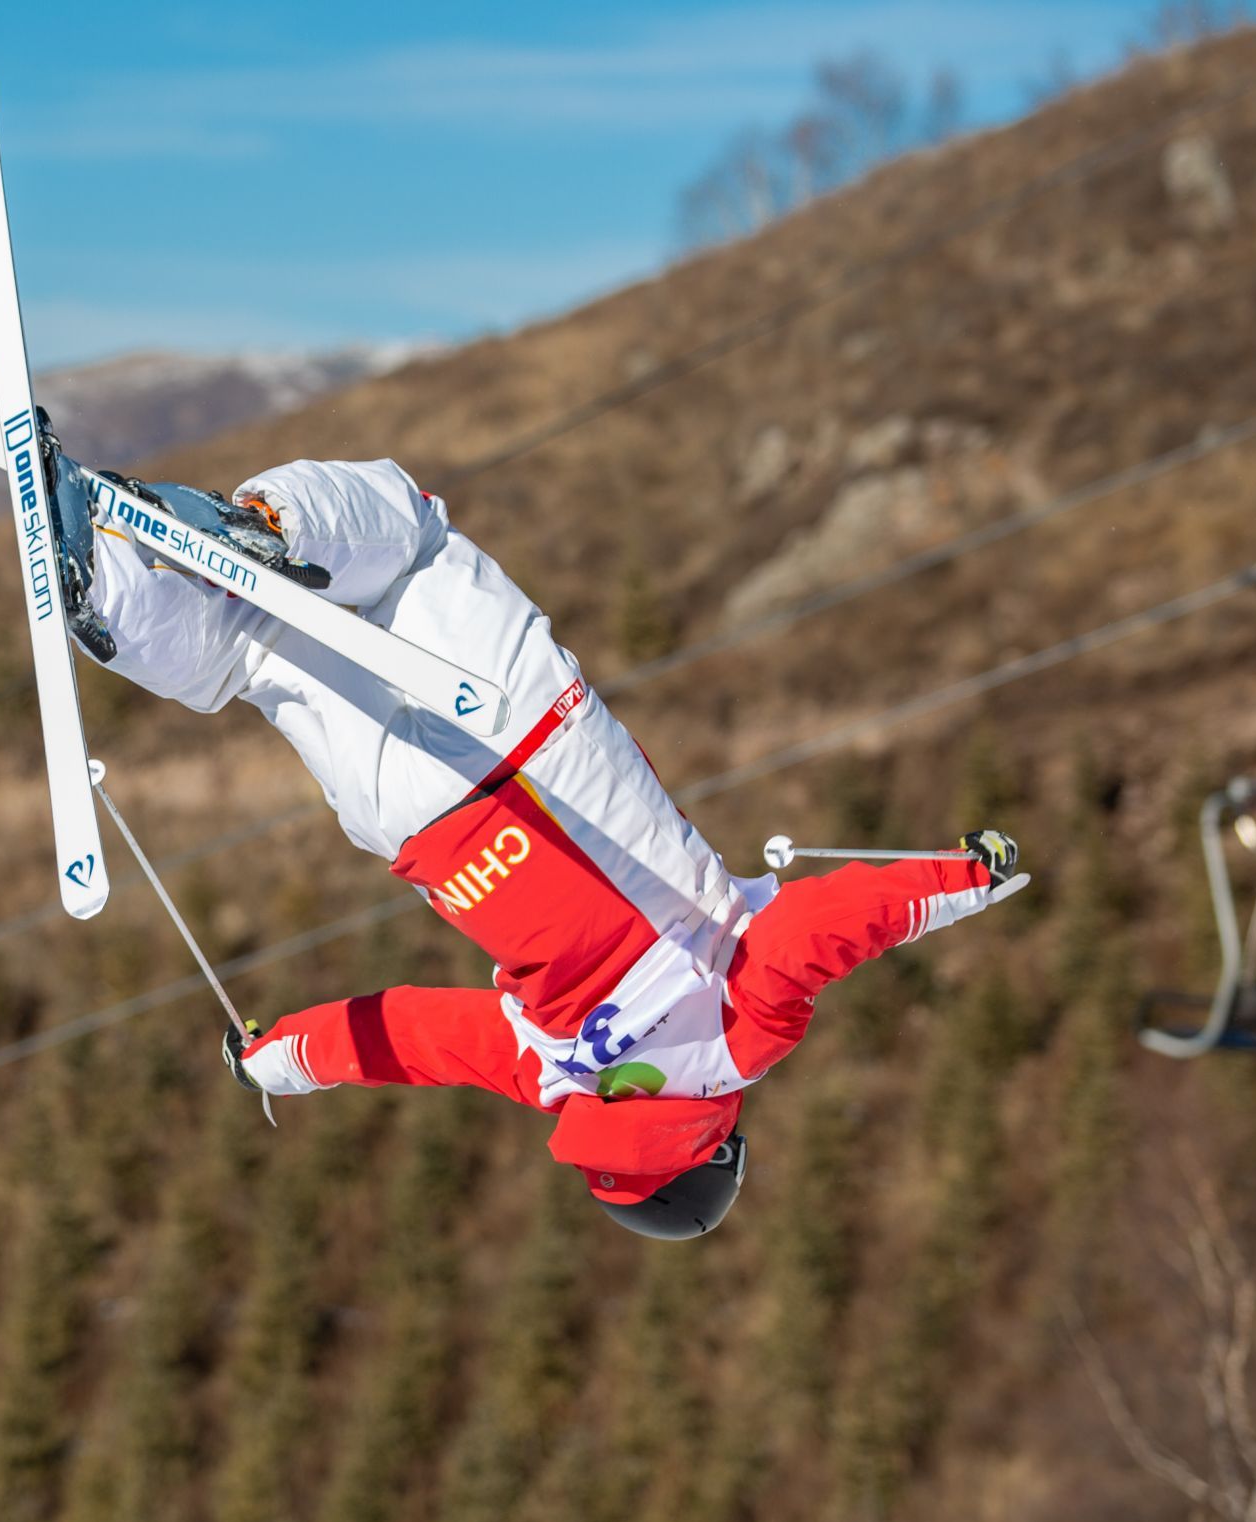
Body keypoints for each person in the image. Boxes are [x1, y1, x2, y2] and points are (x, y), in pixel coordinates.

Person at [67, 456, 1027, 1239]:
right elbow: (412, 1037)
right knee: (253, 653)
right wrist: (277, 1059)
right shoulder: (553, 1077)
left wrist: (967, 880)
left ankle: (265, 529)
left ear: (715, 1148)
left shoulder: (740, 1042)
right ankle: (112, 594)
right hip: (415, 824)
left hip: (521, 735)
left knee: (411, 535)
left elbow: (820, 928)